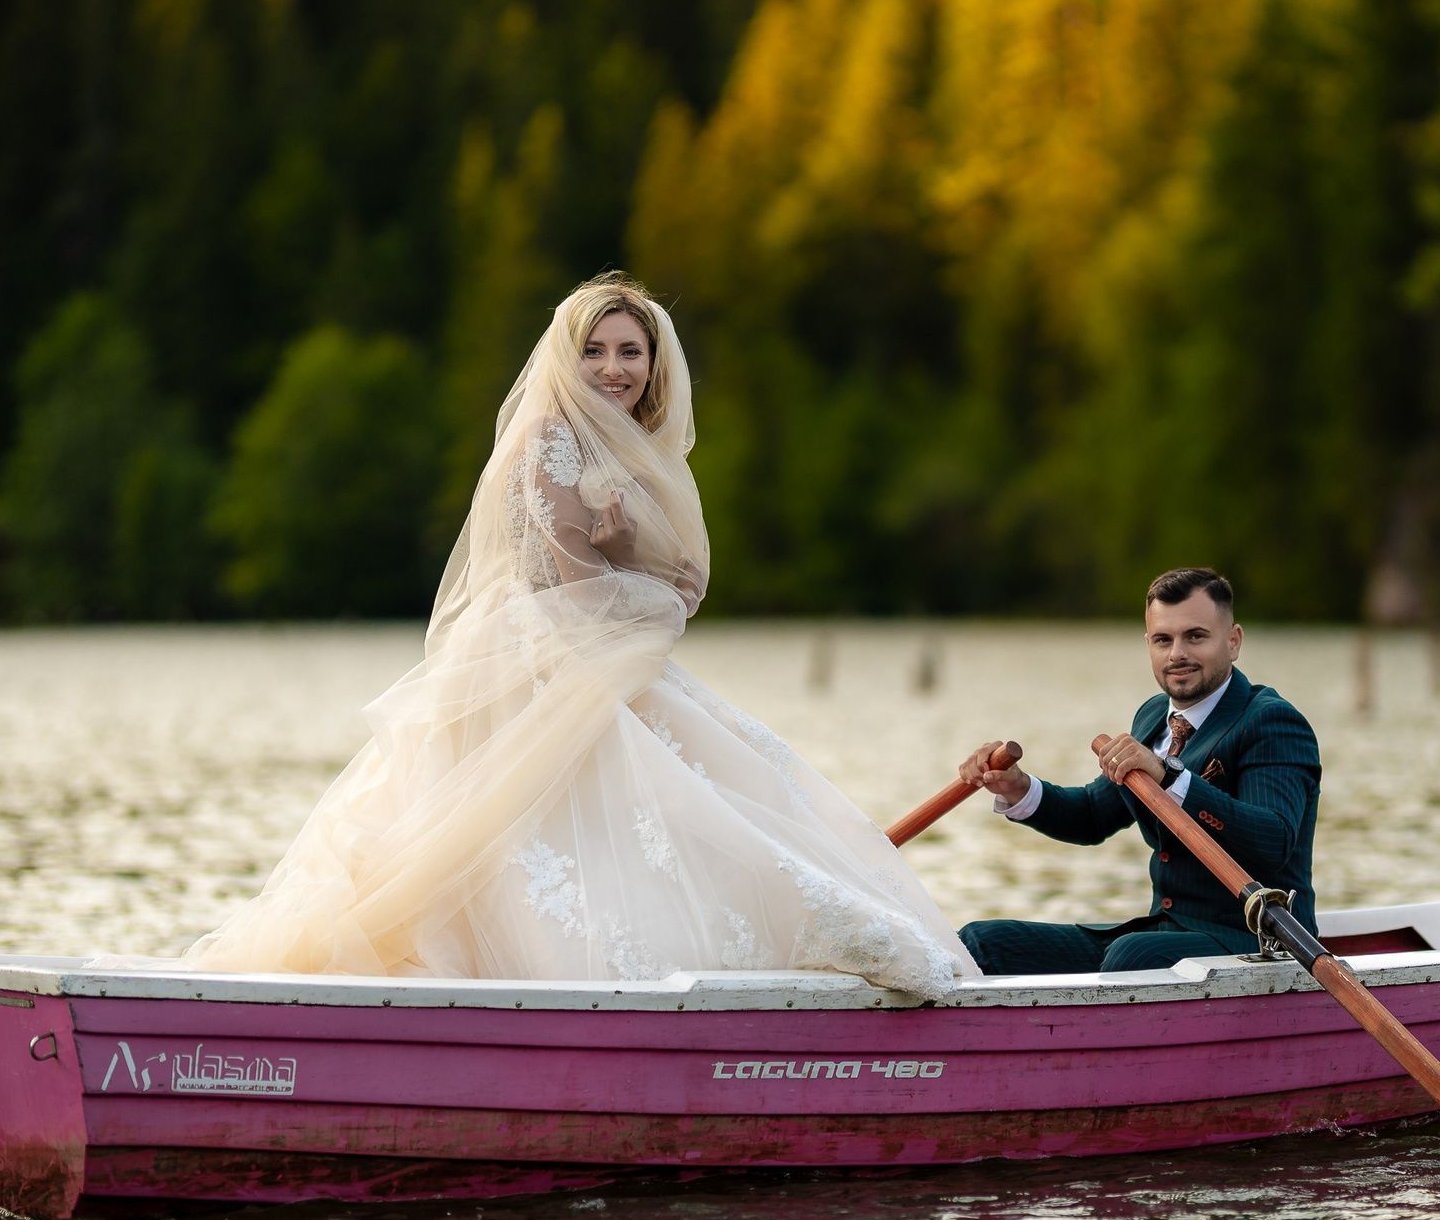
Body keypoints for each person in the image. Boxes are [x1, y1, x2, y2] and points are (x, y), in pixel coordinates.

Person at [180, 274, 976, 998]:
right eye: (594, 350)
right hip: (536, 661)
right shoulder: (546, 440)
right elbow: (572, 583)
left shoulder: (633, 449)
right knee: (566, 822)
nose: (612, 368)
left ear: (654, 364)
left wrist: (646, 571)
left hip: (601, 655)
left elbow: (655, 573)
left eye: (630, 351)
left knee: (719, 786)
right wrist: (656, 595)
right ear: (566, 358)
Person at [953, 569, 1320, 975]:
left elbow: (1272, 841)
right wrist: (1018, 788)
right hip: (1164, 934)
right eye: (1163, 640)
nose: (1176, 653)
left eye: (1195, 636)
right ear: (1149, 645)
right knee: (980, 943)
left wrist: (1170, 777)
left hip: (1258, 940)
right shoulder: (1152, 717)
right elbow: (1093, 816)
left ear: (1233, 642)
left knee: (1133, 955)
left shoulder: (1272, 721)